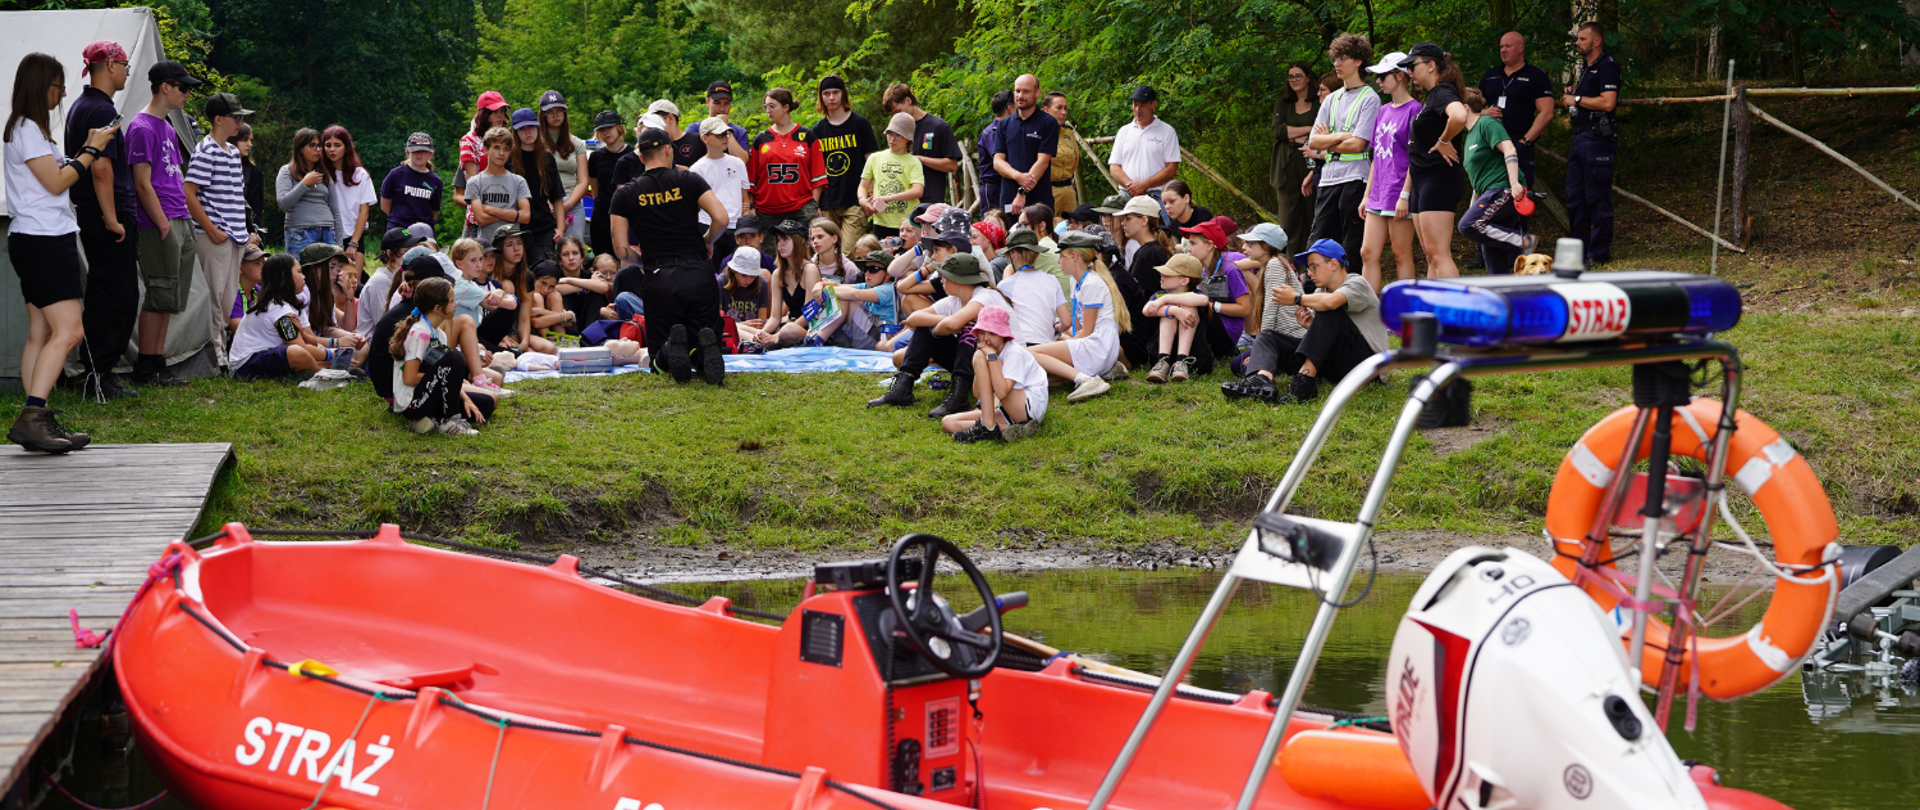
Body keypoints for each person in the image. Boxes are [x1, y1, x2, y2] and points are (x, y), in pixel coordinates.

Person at [6, 52, 118, 451]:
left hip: (34, 238)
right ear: (41, 87)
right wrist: (92, 150)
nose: (63, 94)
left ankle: (37, 418)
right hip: (44, 240)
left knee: (41, 332)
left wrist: (83, 149)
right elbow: (55, 183)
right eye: (58, 86)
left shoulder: (27, 128)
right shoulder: (27, 130)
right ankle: (33, 416)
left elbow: (50, 179)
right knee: (70, 330)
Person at [606, 126, 731, 384]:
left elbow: (620, 250)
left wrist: (643, 260)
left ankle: (668, 351)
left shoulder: (625, 193)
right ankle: (703, 353)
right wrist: (706, 240)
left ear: (640, 156)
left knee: (658, 358)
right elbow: (722, 218)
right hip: (698, 270)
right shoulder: (689, 180)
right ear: (667, 150)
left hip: (658, 275)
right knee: (703, 329)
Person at [1227, 238, 1387, 404]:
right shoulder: (1320, 292)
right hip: (1335, 364)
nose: (1309, 273)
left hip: (1368, 367)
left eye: (1313, 266)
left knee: (1328, 307)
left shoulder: (1357, 282)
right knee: (1268, 336)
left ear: (1333, 264)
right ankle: (1262, 380)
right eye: (1308, 268)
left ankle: (1304, 381)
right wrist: (1311, 325)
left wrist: (1296, 298)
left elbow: (1331, 303)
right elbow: (1329, 334)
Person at [67, 41, 140, 400]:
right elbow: (101, 169)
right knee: (116, 293)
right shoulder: (99, 109)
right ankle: (99, 375)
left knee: (105, 289)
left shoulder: (83, 105)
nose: (127, 71)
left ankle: (94, 372)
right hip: (106, 214)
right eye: (125, 64)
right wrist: (112, 219)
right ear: (110, 65)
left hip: (93, 212)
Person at [126, 60, 202, 387]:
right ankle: (146, 366)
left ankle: (158, 363)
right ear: (165, 87)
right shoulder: (141, 127)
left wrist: (183, 218)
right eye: (182, 87)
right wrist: (162, 224)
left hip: (179, 218)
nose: (187, 94)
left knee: (170, 296)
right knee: (158, 291)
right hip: (160, 221)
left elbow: (175, 176)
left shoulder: (168, 127)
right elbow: (142, 183)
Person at [870, 253, 1009, 419]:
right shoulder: (954, 300)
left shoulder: (985, 296)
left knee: (969, 327)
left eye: (944, 276)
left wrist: (947, 325)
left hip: (999, 366)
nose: (941, 280)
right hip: (977, 364)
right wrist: (941, 325)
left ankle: (959, 396)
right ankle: (903, 387)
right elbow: (914, 319)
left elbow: (953, 325)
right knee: (927, 325)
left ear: (958, 280)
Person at [181, 92, 252, 365]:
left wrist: (244, 232)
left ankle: (221, 353)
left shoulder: (232, 152)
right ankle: (216, 357)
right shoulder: (205, 150)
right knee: (213, 298)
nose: (239, 123)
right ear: (218, 119)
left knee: (227, 300)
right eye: (236, 118)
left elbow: (235, 197)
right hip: (215, 237)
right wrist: (211, 230)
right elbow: (188, 193)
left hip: (235, 238)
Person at [1025, 230, 1128, 402]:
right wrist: (1062, 335)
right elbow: (1078, 327)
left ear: (1074, 257)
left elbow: (1086, 332)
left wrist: (1064, 342)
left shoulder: (1092, 283)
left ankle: (1087, 380)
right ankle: (1101, 372)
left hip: (1098, 346)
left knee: (1030, 352)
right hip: (1094, 342)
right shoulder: (1076, 280)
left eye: (1061, 256)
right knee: (1051, 370)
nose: (1058, 261)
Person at [1306, 33, 1378, 268]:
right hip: (1328, 177)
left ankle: (1352, 287)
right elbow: (1313, 142)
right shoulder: (1331, 99)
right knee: (1318, 241)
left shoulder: (1370, 98)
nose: (1336, 63)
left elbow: (1358, 144)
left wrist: (1328, 138)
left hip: (1355, 177)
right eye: (1335, 58)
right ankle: (1315, 287)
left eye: (1342, 58)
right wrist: (1341, 136)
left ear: (1358, 61)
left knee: (1351, 242)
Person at [389, 277, 495, 436]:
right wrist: (446, 377)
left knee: (486, 403)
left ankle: (432, 420)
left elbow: (445, 377)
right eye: (452, 301)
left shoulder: (439, 334)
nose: (456, 304)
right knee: (455, 358)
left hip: (430, 394)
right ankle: (449, 421)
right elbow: (409, 378)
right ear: (438, 308)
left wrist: (466, 399)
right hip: (412, 403)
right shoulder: (420, 333)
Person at [1400, 43, 1470, 278]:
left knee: (1439, 254)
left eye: (1413, 65)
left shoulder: (1443, 91)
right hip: (1422, 179)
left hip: (1438, 178)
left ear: (1431, 65)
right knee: (1431, 256)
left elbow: (1459, 116)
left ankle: (1455, 302)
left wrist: (1444, 140)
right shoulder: (1434, 96)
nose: (1409, 71)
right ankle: (1433, 301)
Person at [1358, 52, 1422, 290]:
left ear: (1400, 76)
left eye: (1383, 76)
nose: (1378, 81)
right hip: (1378, 193)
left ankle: (1406, 307)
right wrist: (1367, 195)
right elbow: (1376, 156)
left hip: (1399, 192)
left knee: (1400, 253)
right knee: (1367, 252)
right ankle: (1368, 308)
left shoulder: (1415, 110)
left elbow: (1416, 158)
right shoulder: (1383, 110)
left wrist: (1405, 195)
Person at [1456, 88, 1534, 275]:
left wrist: (1514, 184)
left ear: (1465, 107)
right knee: (1492, 255)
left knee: (1468, 224)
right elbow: (1479, 176)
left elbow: (1509, 149)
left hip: (1503, 189)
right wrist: (1474, 203)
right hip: (1489, 192)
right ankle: (1501, 289)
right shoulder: (1470, 135)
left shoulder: (1486, 123)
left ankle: (1522, 242)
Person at [1219, 223, 1304, 394]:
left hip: (1291, 339)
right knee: (1237, 365)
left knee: (1245, 365)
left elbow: (1272, 311)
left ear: (1266, 247)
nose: (1246, 247)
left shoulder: (1275, 265)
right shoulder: (1268, 265)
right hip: (1280, 338)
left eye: (1251, 243)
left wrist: (1261, 349)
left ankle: (1265, 377)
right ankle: (1272, 368)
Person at [1562, 21, 1620, 265]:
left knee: (1597, 197)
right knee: (1575, 198)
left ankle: (1598, 253)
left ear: (1597, 41)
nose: (1577, 42)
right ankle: (1579, 252)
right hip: (1580, 138)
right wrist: (1575, 94)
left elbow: (1607, 102)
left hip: (1597, 139)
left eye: (1582, 39)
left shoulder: (1607, 66)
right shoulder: (1586, 68)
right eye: (1578, 38)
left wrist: (1576, 98)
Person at [941, 306, 1045, 443]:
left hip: (1028, 409)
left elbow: (1002, 393)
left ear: (1003, 335)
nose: (986, 339)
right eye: (982, 333)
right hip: (1008, 410)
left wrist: (991, 357)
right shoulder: (985, 354)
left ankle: (988, 426)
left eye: (992, 333)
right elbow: (977, 393)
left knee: (980, 357)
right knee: (948, 422)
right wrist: (980, 361)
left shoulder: (1014, 352)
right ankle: (1018, 430)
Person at [229, 253, 330, 379]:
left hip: (268, 356)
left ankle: (313, 371)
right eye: (299, 272)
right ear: (284, 275)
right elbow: (301, 348)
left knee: (313, 353)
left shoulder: (293, 305)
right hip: (245, 365)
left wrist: (303, 334)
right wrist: (331, 354)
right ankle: (323, 376)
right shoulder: (277, 308)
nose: (304, 276)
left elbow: (313, 343)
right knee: (296, 353)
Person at [811, 74, 878, 254]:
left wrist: (870, 195)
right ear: (821, 97)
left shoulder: (860, 124)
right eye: (826, 93)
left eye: (835, 92)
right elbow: (815, 171)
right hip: (828, 202)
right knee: (827, 254)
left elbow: (872, 162)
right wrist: (815, 204)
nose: (831, 97)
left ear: (843, 94)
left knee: (847, 253)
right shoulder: (817, 130)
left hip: (854, 201)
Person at [748, 88, 828, 236]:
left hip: (801, 209)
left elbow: (818, 177)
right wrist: (751, 207)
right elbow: (751, 179)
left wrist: (813, 205)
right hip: (766, 211)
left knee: (804, 249)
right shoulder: (761, 139)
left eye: (772, 106)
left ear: (786, 107)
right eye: (766, 106)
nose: (768, 110)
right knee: (769, 251)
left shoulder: (807, 136)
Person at [1480, 31, 1554, 187]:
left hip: (1519, 145)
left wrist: (1524, 141)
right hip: (1491, 146)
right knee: (1489, 194)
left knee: (1519, 193)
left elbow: (1547, 113)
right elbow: (1470, 109)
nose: (1503, 50)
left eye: (1508, 46)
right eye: (1501, 47)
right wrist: (1484, 112)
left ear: (1521, 48)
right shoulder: (1490, 75)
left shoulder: (1536, 76)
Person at [881, 84, 963, 207]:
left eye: (898, 111)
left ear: (908, 100)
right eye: (893, 114)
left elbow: (952, 166)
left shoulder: (938, 126)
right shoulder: (896, 130)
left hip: (930, 203)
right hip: (901, 203)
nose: (896, 116)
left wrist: (920, 159)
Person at [691, 116, 751, 274]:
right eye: (719, 135)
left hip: (735, 226)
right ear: (705, 138)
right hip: (707, 226)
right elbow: (695, 205)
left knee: (736, 274)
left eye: (727, 134)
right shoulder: (697, 169)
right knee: (711, 272)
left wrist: (744, 221)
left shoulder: (737, 163)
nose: (725, 138)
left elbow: (745, 197)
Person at [1270, 61, 1320, 255]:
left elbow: (1322, 131)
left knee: (1313, 215)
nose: (1294, 80)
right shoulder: (1283, 104)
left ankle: (1312, 262)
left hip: (1312, 164)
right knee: (1289, 218)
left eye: (1298, 75)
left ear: (1308, 78)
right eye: (1291, 76)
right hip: (1285, 165)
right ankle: (1290, 263)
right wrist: (1309, 129)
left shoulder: (1319, 102)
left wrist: (1293, 134)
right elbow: (1278, 131)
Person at [992, 74, 1060, 214]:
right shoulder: (1003, 125)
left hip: (1039, 201)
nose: (1020, 96)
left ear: (1037, 93)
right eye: (1017, 91)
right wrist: (1017, 176)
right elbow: (998, 162)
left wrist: (1022, 192)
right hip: (1009, 199)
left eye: (1026, 91)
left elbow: (1043, 162)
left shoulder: (1048, 122)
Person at [1141, 254, 1211, 383]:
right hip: (1160, 351)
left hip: (1194, 356)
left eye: (1167, 274)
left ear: (1184, 281)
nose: (1161, 275)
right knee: (1168, 312)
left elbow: (1204, 300)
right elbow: (1146, 310)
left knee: (1189, 307)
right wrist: (1173, 310)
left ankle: (1182, 361)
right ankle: (1163, 361)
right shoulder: (1159, 295)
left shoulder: (1195, 295)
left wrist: (1166, 299)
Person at [509, 108, 566, 265]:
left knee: (546, 272)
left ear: (538, 128)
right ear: (516, 132)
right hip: (515, 229)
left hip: (543, 229)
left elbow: (557, 196)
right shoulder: (509, 159)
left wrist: (560, 227)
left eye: (531, 127)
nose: (528, 132)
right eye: (522, 129)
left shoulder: (547, 158)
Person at [277, 128, 346, 258]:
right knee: (301, 270)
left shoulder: (324, 175)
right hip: (300, 232)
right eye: (312, 145)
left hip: (327, 231)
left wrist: (339, 245)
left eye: (319, 145)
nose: (318, 149)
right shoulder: (287, 171)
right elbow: (283, 204)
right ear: (300, 149)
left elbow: (335, 211)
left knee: (329, 271)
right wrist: (304, 184)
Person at [858, 112, 926, 239]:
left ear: (908, 138)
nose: (892, 139)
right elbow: (863, 185)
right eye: (890, 134)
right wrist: (863, 200)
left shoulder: (913, 162)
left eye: (898, 135)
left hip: (907, 224)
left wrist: (888, 198)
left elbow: (918, 191)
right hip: (881, 222)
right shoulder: (875, 158)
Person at [994, 228, 1066, 347]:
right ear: (1037, 254)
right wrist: (1058, 328)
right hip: (1046, 347)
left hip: (1019, 347)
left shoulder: (1005, 285)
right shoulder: (1052, 280)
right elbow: (1067, 322)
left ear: (1012, 253)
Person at [1108, 86, 1180, 199]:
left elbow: (1171, 169)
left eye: (1142, 105)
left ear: (1153, 104)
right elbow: (1114, 167)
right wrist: (1132, 187)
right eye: (1135, 104)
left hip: (1157, 195)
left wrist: (1145, 184)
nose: (1138, 109)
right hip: (1126, 194)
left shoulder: (1167, 131)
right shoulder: (1124, 131)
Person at [463, 126, 532, 245]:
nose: (501, 153)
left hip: (512, 246)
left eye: (506, 149)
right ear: (485, 150)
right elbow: (481, 219)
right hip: (486, 247)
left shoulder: (519, 181)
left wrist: (491, 210)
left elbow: (525, 217)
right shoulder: (475, 182)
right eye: (496, 147)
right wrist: (513, 214)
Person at [539, 91, 590, 241]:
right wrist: (550, 205)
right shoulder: (536, 143)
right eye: (550, 111)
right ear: (543, 115)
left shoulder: (577, 143)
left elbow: (583, 181)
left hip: (572, 204)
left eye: (559, 110)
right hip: (544, 205)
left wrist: (566, 205)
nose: (555, 115)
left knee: (574, 250)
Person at [322, 125, 375, 267]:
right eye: (328, 145)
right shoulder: (320, 174)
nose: (332, 149)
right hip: (326, 237)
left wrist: (354, 243)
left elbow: (364, 212)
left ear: (346, 147)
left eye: (337, 145)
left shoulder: (360, 175)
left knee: (353, 279)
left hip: (353, 237)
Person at [459, 91, 510, 237]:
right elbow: (472, 182)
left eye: (502, 111)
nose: (500, 115)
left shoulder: (508, 139)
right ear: (484, 114)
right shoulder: (470, 140)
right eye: (495, 111)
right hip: (479, 214)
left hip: (506, 207)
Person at [359, 227, 425, 340]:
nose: (413, 255)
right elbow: (385, 324)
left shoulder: (403, 277)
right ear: (390, 254)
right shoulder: (380, 281)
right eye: (407, 251)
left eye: (414, 249)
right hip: (373, 343)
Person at [381, 132, 444, 238]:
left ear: (430, 154)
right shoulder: (395, 175)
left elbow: (434, 212)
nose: (419, 155)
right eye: (415, 151)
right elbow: (385, 206)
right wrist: (401, 223)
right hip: (399, 229)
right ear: (408, 152)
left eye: (423, 151)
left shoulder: (436, 182)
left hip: (423, 232)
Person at [586, 110, 631, 258]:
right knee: (602, 259)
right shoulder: (595, 157)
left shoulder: (633, 154)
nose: (606, 132)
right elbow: (595, 189)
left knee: (628, 258)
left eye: (609, 128)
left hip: (628, 213)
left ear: (618, 128)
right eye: (601, 130)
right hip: (602, 214)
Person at [975, 90, 1012, 215]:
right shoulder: (992, 132)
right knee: (992, 221)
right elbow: (999, 159)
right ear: (1010, 109)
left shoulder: (1006, 130)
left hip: (1005, 185)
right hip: (993, 187)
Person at [1043, 91, 1080, 213]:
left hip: (1068, 190)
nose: (1063, 112)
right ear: (1046, 110)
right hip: (1049, 190)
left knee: (1072, 223)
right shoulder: (1039, 133)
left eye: (1065, 108)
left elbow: (1076, 157)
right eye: (1059, 108)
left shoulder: (1068, 132)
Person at [232, 124, 264, 247]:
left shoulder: (254, 173)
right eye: (244, 140)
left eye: (251, 140)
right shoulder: (221, 166)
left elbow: (257, 208)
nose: (250, 144)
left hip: (250, 235)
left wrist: (253, 232)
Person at [703, 80, 751, 157]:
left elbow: (742, 161)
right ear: (708, 102)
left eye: (727, 103)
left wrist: (725, 129)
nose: (722, 109)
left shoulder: (740, 133)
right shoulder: (695, 129)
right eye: (717, 103)